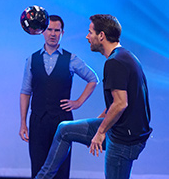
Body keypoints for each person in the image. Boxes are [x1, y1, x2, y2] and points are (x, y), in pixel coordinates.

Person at [35, 14, 152, 179]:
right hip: (119, 129)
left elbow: (121, 104)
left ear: (101, 35)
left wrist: (100, 132)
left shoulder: (115, 62)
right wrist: (99, 125)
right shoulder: (124, 56)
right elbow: (116, 102)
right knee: (64, 129)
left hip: (124, 139)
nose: (87, 37)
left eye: (90, 32)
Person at [19, 15, 99, 178]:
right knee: (38, 165)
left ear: (62, 32)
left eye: (57, 30)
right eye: (49, 30)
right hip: (38, 120)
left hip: (62, 121)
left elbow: (93, 79)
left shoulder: (70, 59)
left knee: (61, 168)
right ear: (42, 31)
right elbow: (25, 92)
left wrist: (78, 102)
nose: (53, 34)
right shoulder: (32, 59)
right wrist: (22, 123)